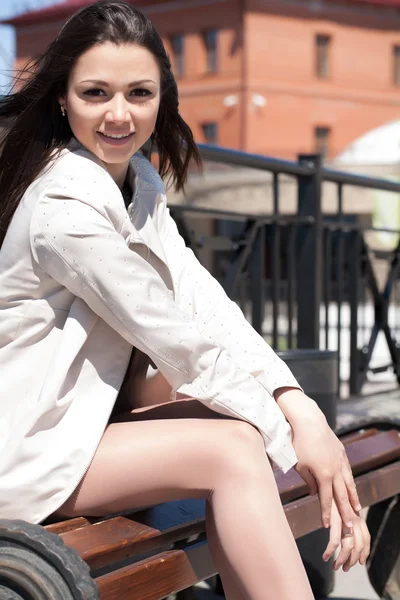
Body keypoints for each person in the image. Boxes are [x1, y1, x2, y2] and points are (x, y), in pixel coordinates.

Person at [0, 2, 370, 598]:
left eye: (138, 93)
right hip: (26, 449)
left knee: (238, 432)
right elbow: (180, 342)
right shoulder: (63, 212)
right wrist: (304, 446)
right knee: (231, 451)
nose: (119, 114)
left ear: (162, 98)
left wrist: (300, 409)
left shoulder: (136, 183)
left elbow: (205, 306)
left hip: (78, 428)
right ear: (63, 98)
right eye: (95, 92)